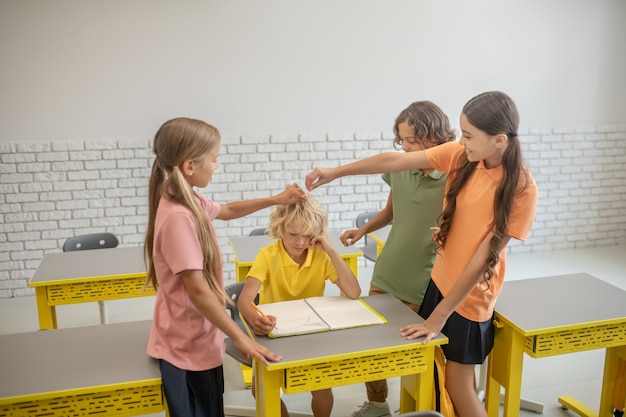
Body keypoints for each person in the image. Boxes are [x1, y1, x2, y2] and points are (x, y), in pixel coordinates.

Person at [305, 91, 538, 417]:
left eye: (469, 135)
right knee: (431, 376)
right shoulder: (464, 156)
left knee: (459, 386)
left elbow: (484, 257)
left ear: (499, 140)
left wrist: (438, 316)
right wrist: (335, 172)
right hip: (439, 284)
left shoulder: (521, 187)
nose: (462, 141)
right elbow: (394, 161)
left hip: (467, 301)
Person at [143, 116, 307, 417]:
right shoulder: (178, 217)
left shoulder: (185, 195)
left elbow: (228, 210)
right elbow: (199, 292)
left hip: (199, 337)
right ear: (190, 166)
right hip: (184, 345)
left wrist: (277, 199)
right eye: (214, 160)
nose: (217, 166)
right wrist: (242, 337)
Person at [339, 101, 455, 417]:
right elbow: (391, 212)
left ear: (435, 137)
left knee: (405, 348)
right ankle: (378, 404)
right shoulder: (401, 167)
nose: (405, 147)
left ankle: (417, 408)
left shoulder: (453, 175)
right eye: (402, 140)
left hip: (425, 277)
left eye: (412, 140)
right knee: (369, 341)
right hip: (388, 269)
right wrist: (363, 229)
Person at [238, 194, 361, 417]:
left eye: (308, 236)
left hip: (311, 333)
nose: (300, 242)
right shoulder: (267, 255)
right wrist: (256, 320)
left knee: (322, 387)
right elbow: (244, 300)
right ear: (280, 228)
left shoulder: (321, 256)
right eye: (293, 234)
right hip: (275, 333)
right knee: (261, 389)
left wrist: (332, 250)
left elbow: (353, 292)